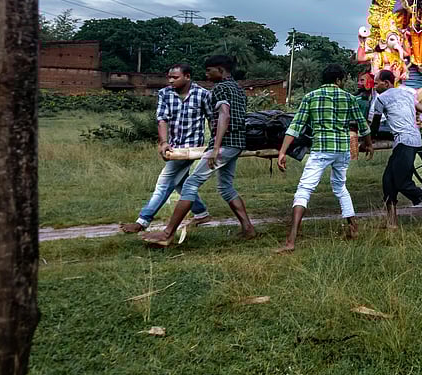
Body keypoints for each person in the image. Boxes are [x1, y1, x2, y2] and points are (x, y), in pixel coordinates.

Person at [141, 55, 257, 246]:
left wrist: (216, 147)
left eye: (209, 70)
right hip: (237, 143)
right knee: (226, 187)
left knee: (190, 184)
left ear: (220, 70)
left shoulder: (220, 88)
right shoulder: (238, 89)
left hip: (224, 144)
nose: (206, 74)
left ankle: (167, 234)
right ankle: (248, 229)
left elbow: (224, 116)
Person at [274, 64, 373, 253]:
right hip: (342, 150)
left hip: (321, 150)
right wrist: (368, 144)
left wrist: (282, 151)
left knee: (304, 189)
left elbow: (295, 127)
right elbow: (363, 125)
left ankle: (291, 240)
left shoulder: (310, 97)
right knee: (340, 187)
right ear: (339, 80)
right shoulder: (349, 98)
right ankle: (353, 227)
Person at [120, 64, 214, 234]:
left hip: (193, 148)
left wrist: (215, 144)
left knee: (164, 183)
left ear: (187, 76)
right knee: (181, 183)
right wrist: (164, 142)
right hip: (174, 148)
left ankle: (143, 221)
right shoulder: (165, 94)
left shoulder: (203, 94)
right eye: (169, 77)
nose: (170, 81)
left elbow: (211, 119)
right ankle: (201, 213)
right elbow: (162, 119)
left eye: (175, 77)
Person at [368, 69, 422, 230]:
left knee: (403, 183)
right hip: (411, 140)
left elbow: (375, 125)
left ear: (386, 83)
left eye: (376, 83)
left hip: (405, 142)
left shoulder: (381, 99)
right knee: (388, 181)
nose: (374, 86)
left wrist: (369, 140)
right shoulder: (406, 95)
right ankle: (392, 222)